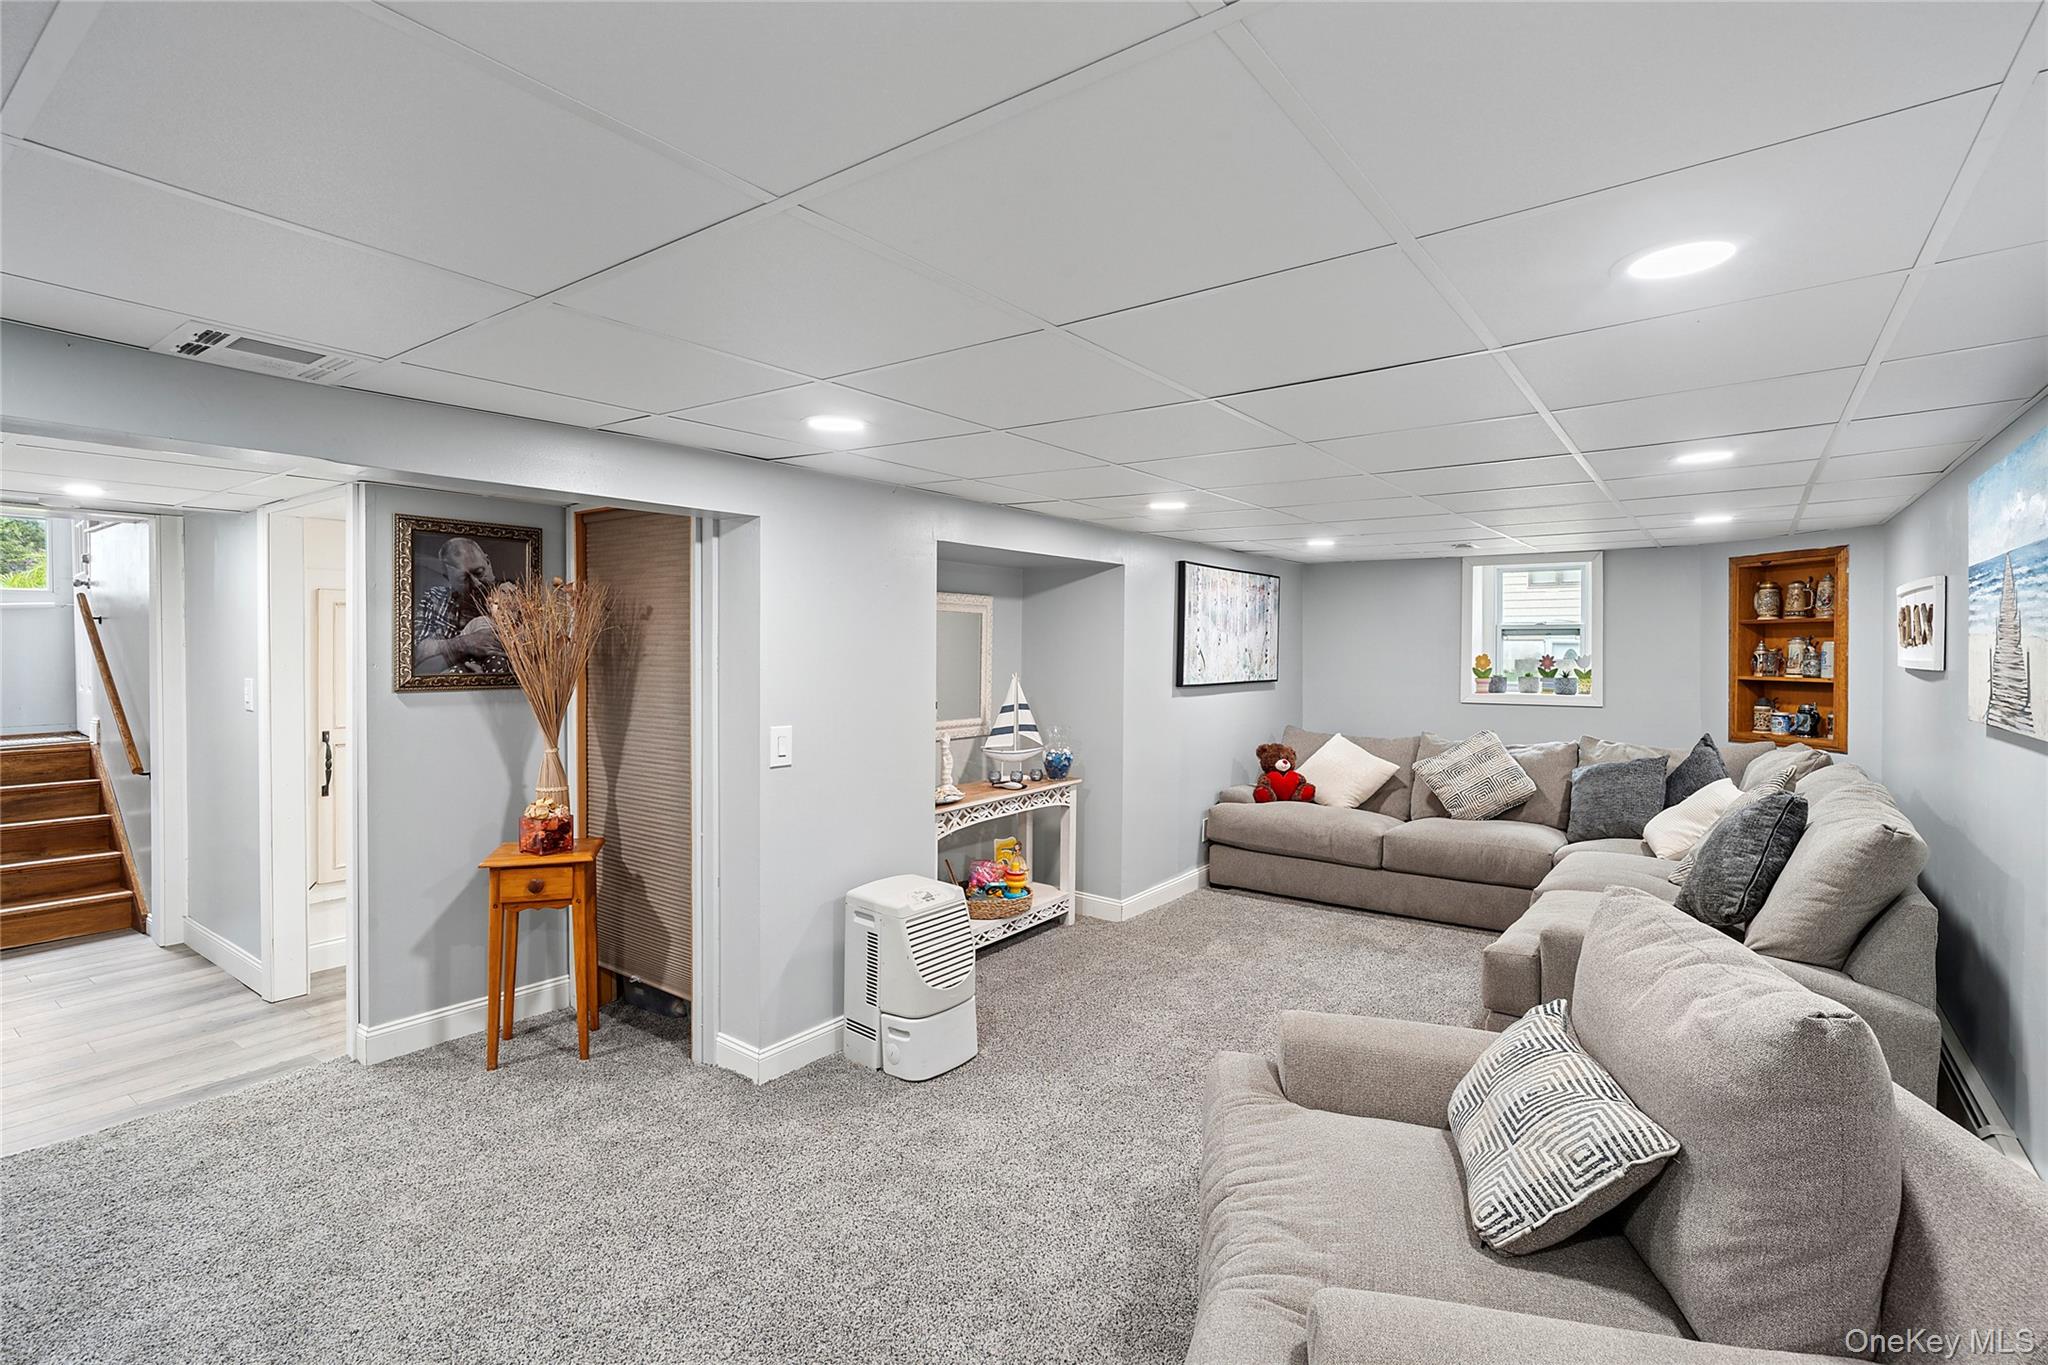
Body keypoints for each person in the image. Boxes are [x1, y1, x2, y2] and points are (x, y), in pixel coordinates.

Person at [413, 537, 509, 675]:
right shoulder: (435, 599)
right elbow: (416, 657)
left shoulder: (511, 596)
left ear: (488, 562)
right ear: (448, 578)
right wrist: (464, 644)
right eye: (463, 579)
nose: (476, 584)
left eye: (479, 572)